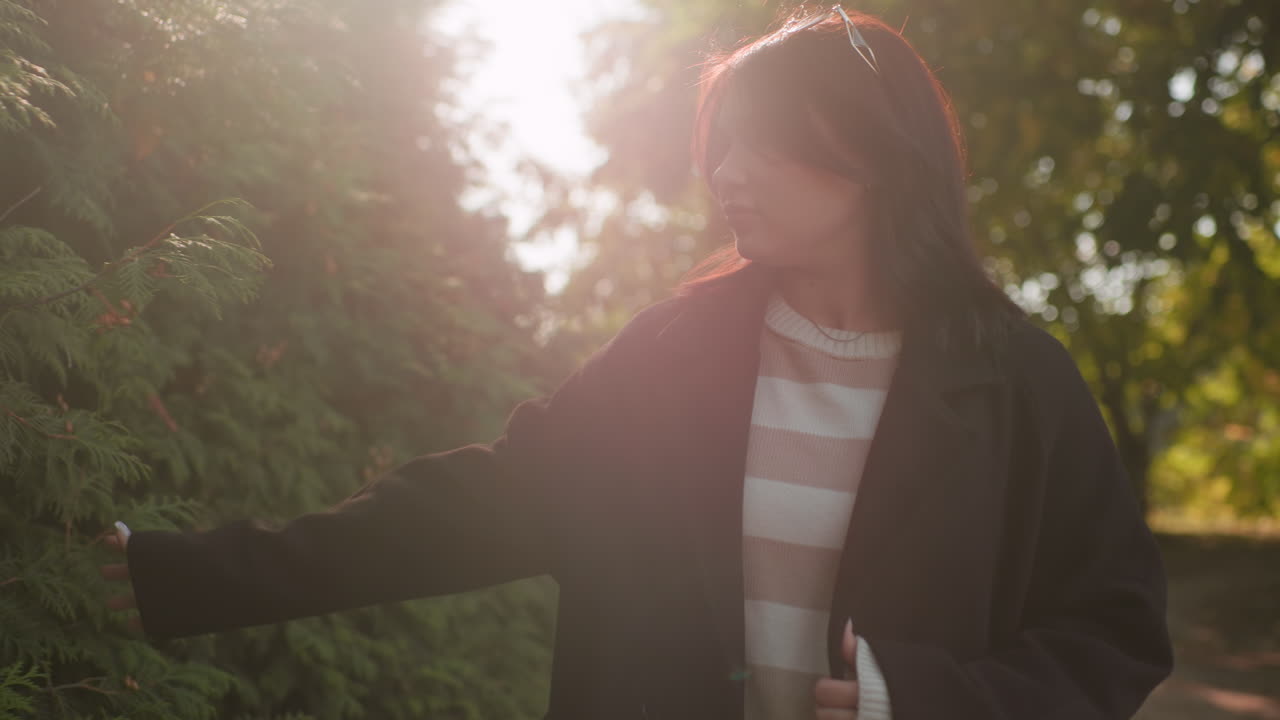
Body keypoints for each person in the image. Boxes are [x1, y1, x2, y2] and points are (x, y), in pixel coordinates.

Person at [102, 5, 1173, 719]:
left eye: (761, 143)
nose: (721, 171)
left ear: (871, 156)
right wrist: (174, 575)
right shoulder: (673, 356)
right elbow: (474, 507)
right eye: (718, 142)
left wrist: (917, 700)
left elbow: (1113, 629)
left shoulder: (1017, 383)